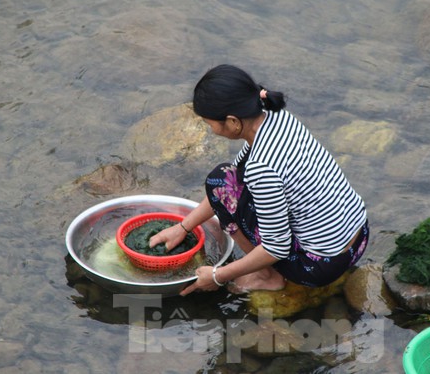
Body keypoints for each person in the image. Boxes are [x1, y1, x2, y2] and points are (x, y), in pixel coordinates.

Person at [149, 64, 368, 296]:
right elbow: (234, 178)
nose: (211, 129)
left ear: (233, 121)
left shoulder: (262, 168)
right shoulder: (278, 117)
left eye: (209, 122)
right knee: (224, 181)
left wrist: (218, 276)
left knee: (219, 182)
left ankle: (266, 275)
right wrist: (183, 227)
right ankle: (267, 268)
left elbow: (276, 248)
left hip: (318, 267)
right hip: (358, 235)